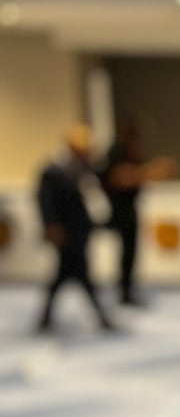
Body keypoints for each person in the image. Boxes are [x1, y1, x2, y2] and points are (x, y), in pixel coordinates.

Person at [35, 125, 114, 334]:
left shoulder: (83, 168)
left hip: (80, 230)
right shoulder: (55, 170)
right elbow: (45, 201)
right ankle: (100, 317)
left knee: (65, 275)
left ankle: (46, 318)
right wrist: (51, 226)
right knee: (78, 274)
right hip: (65, 231)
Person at [99, 115, 177, 306]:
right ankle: (124, 292)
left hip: (129, 208)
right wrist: (148, 172)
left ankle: (127, 289)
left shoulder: (130, 152)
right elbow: (118, 178)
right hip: (120, 210)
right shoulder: (117, 151)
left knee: (130, 253)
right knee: (126, 253)